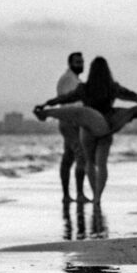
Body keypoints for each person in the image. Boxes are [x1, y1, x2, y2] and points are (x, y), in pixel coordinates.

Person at [33, 56, 137, 206]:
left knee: (89, 161)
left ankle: (92, 192)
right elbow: (134, 96)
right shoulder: (113, 87)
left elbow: (64, 98)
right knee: (101, 163)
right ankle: (97, 197)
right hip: (105, 127)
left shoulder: (84, 88)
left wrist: (47, 104)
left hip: (87, 128)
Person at [56, 51, 87, 204]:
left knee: (69, 157)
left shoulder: (73, 79)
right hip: (70, 122)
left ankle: (67, 195)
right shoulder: (68, 79)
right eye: (77, 62)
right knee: (80, 154)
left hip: (70, 121)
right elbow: (70, 102)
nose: (81, 65)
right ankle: (78, 194)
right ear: (70, 63)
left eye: (81, 62)